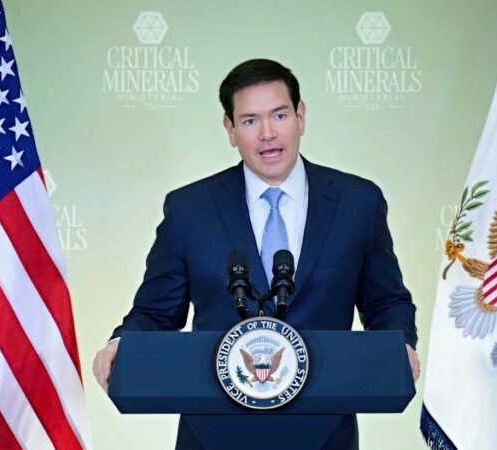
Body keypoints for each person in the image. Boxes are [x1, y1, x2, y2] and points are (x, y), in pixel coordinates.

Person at [93, 58, 419, 449]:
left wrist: (399, 345)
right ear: (230, 130)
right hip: (213, 433)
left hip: (323, 431)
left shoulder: (358, 202)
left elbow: (386, 301)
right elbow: (156, 312)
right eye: (249, 121)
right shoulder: (188, 209)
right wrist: (122, 344)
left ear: (300, 116)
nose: (268, 133)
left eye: (279, 115)